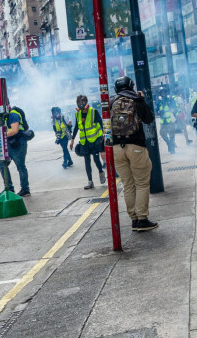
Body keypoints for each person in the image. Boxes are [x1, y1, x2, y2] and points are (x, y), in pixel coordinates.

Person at [109, 76, 158, 231]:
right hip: (136, 146)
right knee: (142, 183)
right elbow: (149, 119)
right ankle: (142, 219)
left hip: (116, 148)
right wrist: (142, 99)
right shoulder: (136, 99)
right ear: (131, 86)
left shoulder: (110, 102)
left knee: (128, 185)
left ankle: (134, 220)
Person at [70, 95, 105, 190]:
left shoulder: (93, 111)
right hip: (84, 142)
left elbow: (101, 124)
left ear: (86, 102)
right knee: (87, 162)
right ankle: (90, 182)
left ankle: (101, 171)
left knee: (96, 160)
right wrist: (72, 139)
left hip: (95, 141)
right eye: (79, 102)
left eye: (82, 102)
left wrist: (104, 136)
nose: (81, 104)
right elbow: (77, 127)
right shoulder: (77, 114)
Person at [0, 104, 30, 197]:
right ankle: (9, 188)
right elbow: (8, 130)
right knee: (2, 164)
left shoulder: (12, 115)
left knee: (20, 167)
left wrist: (1, 136)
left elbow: (14, 130)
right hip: (11, 143)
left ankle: (25, 189)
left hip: (19, 143)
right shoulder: (5, 116)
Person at [156, 86, 177, 154]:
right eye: (162, 92)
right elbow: (157, 110)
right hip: (163, 121)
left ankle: (172, 149)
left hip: (170, 120)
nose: (163, 93)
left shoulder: (169, 99)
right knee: (162, 134)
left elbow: (174, 107)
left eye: (164, 92)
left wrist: (172, 110)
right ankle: (169, 144)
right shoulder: (159, 100)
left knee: (171, 135)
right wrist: (159, 112)